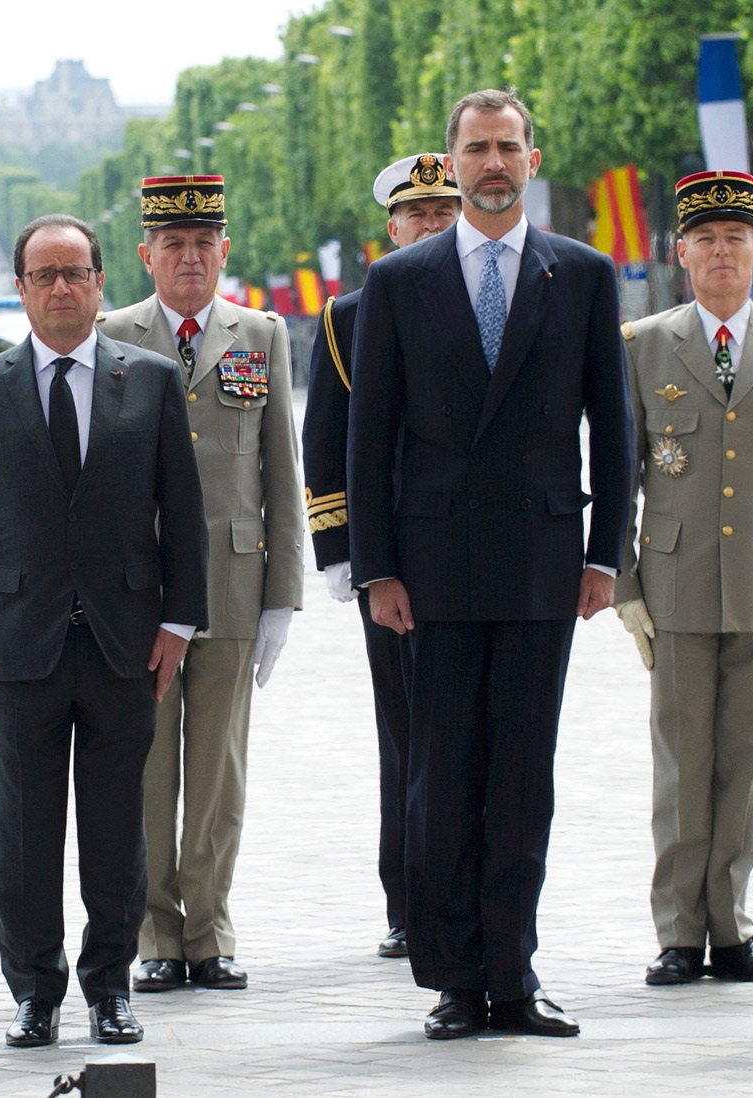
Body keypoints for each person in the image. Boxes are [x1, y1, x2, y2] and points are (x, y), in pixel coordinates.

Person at [346, 88, 633, 1040]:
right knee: (439, 777)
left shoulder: (584, 276)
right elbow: (368, 434)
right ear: (453, 161)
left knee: (522, 776)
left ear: (533, 161)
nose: (493, 163)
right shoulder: (400, 281)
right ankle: (453, 979)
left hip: (542, 560)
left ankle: (513, 975)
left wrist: (606, 556)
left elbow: (614, 429)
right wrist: (375, 568)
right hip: (429, 569)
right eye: (477, 149)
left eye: (508, 146)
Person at [0, 214, 209, 1047]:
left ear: (99, 283)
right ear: (20, 289)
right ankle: (34, 991)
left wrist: (178, 623)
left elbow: (184, 517)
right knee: (25, 833)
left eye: (75, 274)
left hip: (128, 644)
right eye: (44, 275)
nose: (61, 289)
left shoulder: (153, 381)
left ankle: (108, 986)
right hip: (20, 647)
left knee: (116, 830)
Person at [613, 171, 753, 988]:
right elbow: (620, 473)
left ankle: (731, 926)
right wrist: (625, 585)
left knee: (743, 757)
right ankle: (677, 929)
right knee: (680, 759)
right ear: (682, 252)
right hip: (676, 585)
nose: (722, 252)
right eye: (706, 239)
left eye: (736, 237)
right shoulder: (643, 345)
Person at [99, 175, 303, 995]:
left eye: (203, 243)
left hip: (233, 583)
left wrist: (282, 593)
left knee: (219, 774)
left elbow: (279, 468)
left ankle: (210, 931)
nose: (189, 257)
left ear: (224, 250)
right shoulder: (114, 336)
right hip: (139, 597)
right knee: (147, 772)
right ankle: (156, 934)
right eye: (173, 245)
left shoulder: (260, 333)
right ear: (146, 255)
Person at [301, 152, 461, 959]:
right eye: (418, 217)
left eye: (445, 214)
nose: (431, 228)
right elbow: (323, 443)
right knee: (405, 734)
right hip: (393, 561)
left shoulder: (489, 299)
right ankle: (409, 897)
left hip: (472, 555)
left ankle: (464, 891)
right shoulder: (348, 318)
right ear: (390, 229)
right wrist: (344, 554)